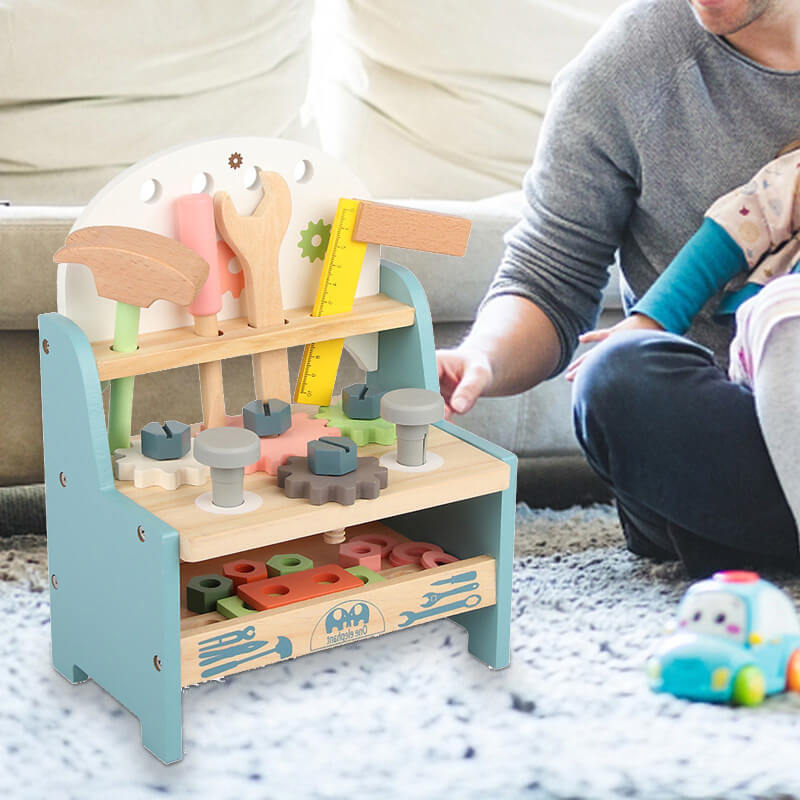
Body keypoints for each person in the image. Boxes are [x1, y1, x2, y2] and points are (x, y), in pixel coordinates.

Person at [436, 0, 800, 576]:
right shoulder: (625, 71)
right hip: (717, 432)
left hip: (728, 509)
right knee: (619, 377)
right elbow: (547, 275)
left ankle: (749, 547)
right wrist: (478, 357)